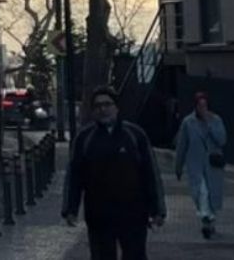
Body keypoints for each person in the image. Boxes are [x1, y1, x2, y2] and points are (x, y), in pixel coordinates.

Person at [61, 86, 166, 260]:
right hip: (99, 214)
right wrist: (70, 208)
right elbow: (74, 176)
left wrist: (157, 209)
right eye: (98, 106)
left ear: (116, 107)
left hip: (133, 212)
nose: (103, 109)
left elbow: (150, 173)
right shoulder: (85, 138)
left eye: (107, 104)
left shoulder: (135, 135)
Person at [175, 91, 227, 239]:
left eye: (204, 105)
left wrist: (210, 124)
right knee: (201, 192)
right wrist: (178, 166)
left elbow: (222, 140)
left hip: (212, 164)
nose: (202, 108)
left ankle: (209, 221)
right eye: (199, 105)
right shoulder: (188, 122)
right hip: (196, 165)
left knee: (211, 194)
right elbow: (182, 145)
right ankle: (206, 218)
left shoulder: (216, 120)